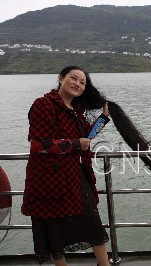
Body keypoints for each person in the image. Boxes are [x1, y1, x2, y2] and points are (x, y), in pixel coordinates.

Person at [21, 66, 111, 265]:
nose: (77, 84)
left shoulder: (77, 110)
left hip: (73, 174)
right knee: (53, 225)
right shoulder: (44, 105)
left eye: (82, 82)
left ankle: (104, 264)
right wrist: (76, 144)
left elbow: (86, 137)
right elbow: (38, 144)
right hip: (47, 178)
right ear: (60, 78)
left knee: (91, 219)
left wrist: (104, 118)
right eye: (73, 78)